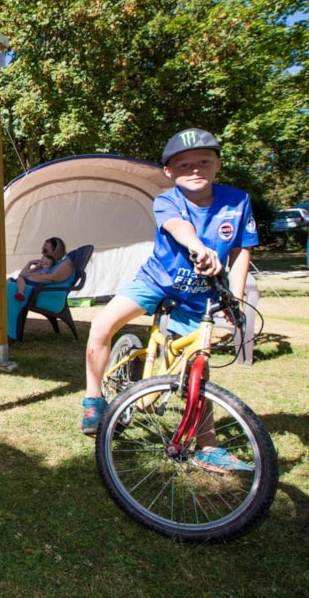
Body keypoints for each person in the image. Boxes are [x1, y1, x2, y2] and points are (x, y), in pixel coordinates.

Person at [80, 128, 258, 472]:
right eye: (184, 165)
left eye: (204, 161)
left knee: (197, 369)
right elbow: (178, 227)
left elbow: (240, 249)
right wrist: (200, 248)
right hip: (156, 282)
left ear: (218, 164)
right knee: (101, 326)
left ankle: (207, 446)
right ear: (169, 171)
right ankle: (93, 398)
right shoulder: (167, 200)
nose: (195, 170)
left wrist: (234, 300)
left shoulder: (238, 200)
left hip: (201, 294)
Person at [0, 237, 72, 341]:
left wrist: (29, 278)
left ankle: (10, 334)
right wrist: (30, 266)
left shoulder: (65, 263)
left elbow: (54, 278)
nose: (42, 252)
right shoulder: (45, 262)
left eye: (45, 250)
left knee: (11, 288)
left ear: (56, 250)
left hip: (46, 296)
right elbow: (23, 275)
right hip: (34, 290)